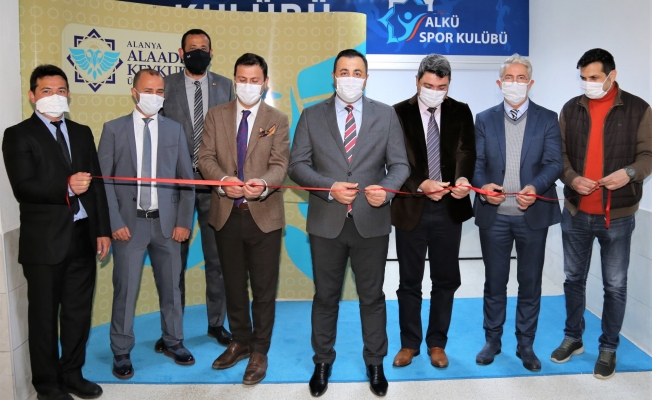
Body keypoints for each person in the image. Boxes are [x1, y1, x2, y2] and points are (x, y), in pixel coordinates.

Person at [288, 49, 410, 397]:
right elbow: (297, 165)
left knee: (372, 297)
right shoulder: (312, 115)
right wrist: (329, 188)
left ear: (366, 78)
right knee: (325, 297)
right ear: (334, 77)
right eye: (344, 72)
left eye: (357, 73)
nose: (351, 78)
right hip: (326, 223)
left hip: (371, 222)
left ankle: (375, 362)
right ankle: (322, 361)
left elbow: (400, 165)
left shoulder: (386, 114)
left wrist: (386, 191)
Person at [2, 65, 111, 400]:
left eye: (61, 90)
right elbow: (23, 187)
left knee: (78, 313)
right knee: (44, 318)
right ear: (32, 95)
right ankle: (47, 385)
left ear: (68, 95)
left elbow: (96, 185)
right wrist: (66, 186)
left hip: (82, 236)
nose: (55, 96)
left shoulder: (81, 132)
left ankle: (72, 373)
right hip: (44, 243)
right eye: (46, 91)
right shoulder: (18, 135)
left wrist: (102, 230)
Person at [550, 48, 652, 379]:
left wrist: (629, 174)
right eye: (583, 78)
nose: (588, 83)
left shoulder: (638, 109)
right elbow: (560, 155)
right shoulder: (571, 109)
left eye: (594, 77)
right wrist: (571, 179)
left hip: (617, 215)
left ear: (612, 75)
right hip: (576, 212)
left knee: (615, 285)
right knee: (573, 279)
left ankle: (608, 348)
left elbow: (648, 155)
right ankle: (573, 338)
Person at [198, 53, 289, 385]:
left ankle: (260, 350)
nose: (247, 85)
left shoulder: (277, 118)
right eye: (241, 79)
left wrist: (262, 184)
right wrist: (223, 181)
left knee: (263, 289)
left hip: (264, 216)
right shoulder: (216, 115)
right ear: (234, 80)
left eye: (254, 80)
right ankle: (240, 340)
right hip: (226, 214)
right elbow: (205, 157)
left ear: (265, 83)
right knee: (233, 285)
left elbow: (280, 164)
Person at [97, 68, 195, 379]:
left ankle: (173, 341)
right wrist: (114, 221)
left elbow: (187, 181)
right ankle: (121, 350)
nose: (154, 96)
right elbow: (103, 182)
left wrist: (183, 221)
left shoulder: (175, 130)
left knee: (172, 289)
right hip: (129, 226)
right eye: (148, 90)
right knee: (125, 291)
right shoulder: (113, 129)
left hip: (167, 225)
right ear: (134, 92)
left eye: (159, 91)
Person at [472, 54, 562, 372]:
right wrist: (484, 187)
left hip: (532, 217)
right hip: (494, 216)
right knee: (494, 282)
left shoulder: (547, 118)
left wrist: (535, 187)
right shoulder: (484, 119)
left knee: (530, 282)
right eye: (509, 78)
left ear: (530, 83)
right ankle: (492, 341)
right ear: (500, 83)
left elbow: (554, 162)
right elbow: (476, 163)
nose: (515, 83)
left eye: (521, 78)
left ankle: (525, 344)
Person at [390, 54, 475, 369]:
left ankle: (437, 343)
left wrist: (463, 179)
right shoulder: (398, 113)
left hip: (448, 209)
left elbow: (466, 151)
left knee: (445, 280)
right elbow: (394, 159)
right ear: (417, 81)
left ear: (449, 85)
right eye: (429, 85)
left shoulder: (461, 111)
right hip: (411, 207)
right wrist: (420, 183)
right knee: (409, 281)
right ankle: (409, 343)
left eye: (442, 87)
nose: (435, 91)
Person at [159, 28, 235, 350]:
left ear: (212, 52)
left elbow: (232, 134)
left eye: (204, 47)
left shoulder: (225, 86)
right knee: (172, 262)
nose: (198, 52)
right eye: (192, 48)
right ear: (181, 53)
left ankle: (216, 323)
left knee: (217, 260)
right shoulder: (166, 85)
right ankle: (171, 330)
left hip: (214, 185)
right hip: (176, 186)